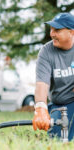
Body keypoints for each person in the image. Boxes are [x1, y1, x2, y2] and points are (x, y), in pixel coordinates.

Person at [32, 12, 74, 141]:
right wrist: (40, 108)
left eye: (57, 30)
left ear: (71, 32)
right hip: (58, 105)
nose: (52, 34)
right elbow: (42, 84)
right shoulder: (46, 51)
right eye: (51, 29)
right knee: (58, 140)